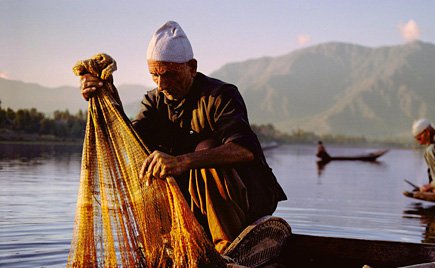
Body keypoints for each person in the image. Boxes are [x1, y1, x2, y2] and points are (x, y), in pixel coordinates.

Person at [79, 21, 286, 253]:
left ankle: (225, 249)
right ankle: (165, 244)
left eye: (169, 75)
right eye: (154, 75)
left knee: (206, 149)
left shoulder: (220, 96)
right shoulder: (155, 100)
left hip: (249, 198)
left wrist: (180, 162)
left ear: (192, 67)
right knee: (149, 165)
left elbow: (244, 150)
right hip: (196, 205)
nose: (161, 84)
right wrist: (107, 97)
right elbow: (130, 141)